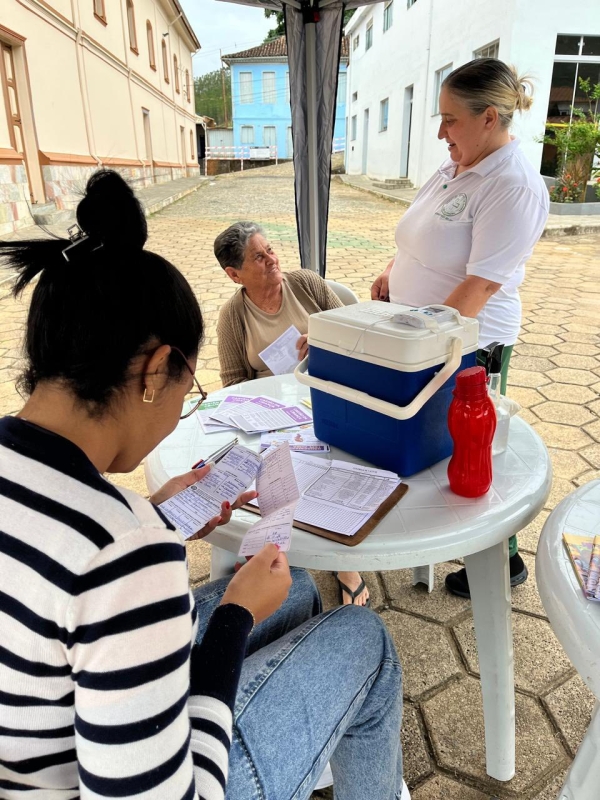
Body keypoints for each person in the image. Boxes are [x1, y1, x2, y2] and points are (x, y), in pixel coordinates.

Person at [0, 170, 405, 800]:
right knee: (364, 639)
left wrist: (158, 514)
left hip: (37, 738)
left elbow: (54, 571)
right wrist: (235, 613)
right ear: (156, 371)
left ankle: (313, 745)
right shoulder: (125, 555)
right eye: (188, 384)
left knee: (297, 589)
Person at [371, 59, 549, 599]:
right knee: (432, 444)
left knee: (473, 448)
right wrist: (393, 270)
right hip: (422, 334)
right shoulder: (459, 164)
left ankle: (501, 558)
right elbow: (423, 234)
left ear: (489, 117)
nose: (441, 132)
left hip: (469, 343)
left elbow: (479, 287)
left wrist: (418, 343)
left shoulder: (512, 186)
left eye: (450, 119)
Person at [215, 221, 370, 609]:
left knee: (339, 462)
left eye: (270, 249)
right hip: (274, 417)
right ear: (235, 274)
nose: (272, 259)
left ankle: (345, 563)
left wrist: (324, 343)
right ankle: (270, 549)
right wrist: (266, 410)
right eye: (258, 257)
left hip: (328, 398)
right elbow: (233, 384)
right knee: (277, 471)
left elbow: (357, 333)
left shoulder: (305, 284)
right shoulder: (233, 316)